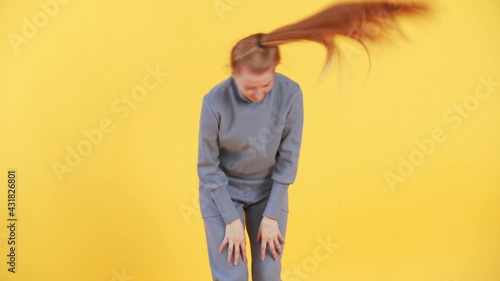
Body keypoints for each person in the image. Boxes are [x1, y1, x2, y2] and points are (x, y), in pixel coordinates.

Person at [197, 1, 430, 280]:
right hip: (222, 194)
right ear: (233, 73)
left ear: (275, 72)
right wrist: (230, 219)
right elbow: (208, 167)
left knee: (268, 274)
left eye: (266, 86)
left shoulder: (290, 94)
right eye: (249, 88)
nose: (258, 95)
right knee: (231, 274)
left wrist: (272, 215)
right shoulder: (213, 102)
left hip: (269, 192)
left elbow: (288, 159)